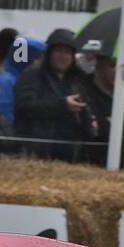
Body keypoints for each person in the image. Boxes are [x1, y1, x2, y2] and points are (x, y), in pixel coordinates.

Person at [14, 28, 92, 162]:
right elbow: (24, 106)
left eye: (68, 52)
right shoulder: (32, 75)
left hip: (71, 153)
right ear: (49, 53)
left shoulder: (76, 80)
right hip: (39, 153)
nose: (63, 56)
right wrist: (62, 105)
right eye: (58, 51)